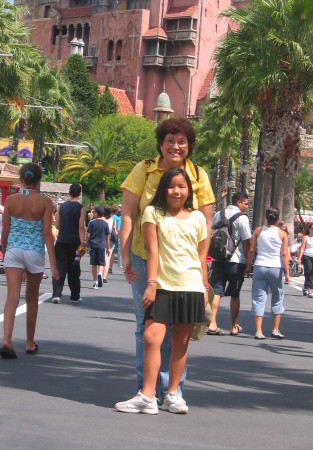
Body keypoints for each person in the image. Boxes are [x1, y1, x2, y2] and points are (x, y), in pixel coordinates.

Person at [119, 117, 215, 401]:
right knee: (146, 325)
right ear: (160, 143)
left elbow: (205, 227)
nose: (176, 146)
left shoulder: (197, 175)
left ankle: (172, 390)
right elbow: (128, 214)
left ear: (189, 146)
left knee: (178, 329)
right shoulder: (144, 170)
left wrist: (203, 271)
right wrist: (124, 255)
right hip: (143, 257)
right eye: (170, 141)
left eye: (182, 142)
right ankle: (146, 389)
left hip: (183, 266)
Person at [0, 163, 59, 359]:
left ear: (21, 179)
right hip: (34, 252)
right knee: (32, 298)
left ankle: (6, 339)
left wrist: (6, 249)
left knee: (12, 296)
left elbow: (5, 231)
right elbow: (47, 234)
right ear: (39, 180)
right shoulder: (45, 202)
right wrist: (54, 266)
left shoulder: (10, 200)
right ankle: (30, 343)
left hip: (14, 250)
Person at [208, 193, 251, 335]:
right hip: (236, 260)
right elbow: (246, 242)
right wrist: (249, 262)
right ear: (239, 202)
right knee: (235, 293)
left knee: (216, 291)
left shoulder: (218, 214)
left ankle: (212, 323)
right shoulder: (242, 218)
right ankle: (233, 326)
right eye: (245, 203)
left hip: (218, 258)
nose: (246, 206)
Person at [246, 207, 289, 340]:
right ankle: (275, 329)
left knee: (259, 298)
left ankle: (258, 331)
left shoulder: (258, 231)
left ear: (266, 217)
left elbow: (252, 249)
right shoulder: (282, 233)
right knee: (277, 297)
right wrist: (287, 272)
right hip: (275, 267)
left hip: (260, 266)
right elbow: (284, 254)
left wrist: (248, 266)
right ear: (277, 218)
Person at [52, 183, 86, 304]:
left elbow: (57, 225)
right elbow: (81, 227)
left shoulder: (61, 207)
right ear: (80, 193)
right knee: (74, 269)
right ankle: (75, 295)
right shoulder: (82, 208)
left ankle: (56, 294)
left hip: (61, 240)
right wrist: (83, 244)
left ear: (69, 192)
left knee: (60, 267)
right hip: (75, 241)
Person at [86, 206, 110, 289]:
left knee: (93, 264)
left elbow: (88, 235)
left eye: (94, 212)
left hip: (93, 245)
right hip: (102, 245)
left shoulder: (92, 223)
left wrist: (86, 243)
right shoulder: (105, 224)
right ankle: (100, 273)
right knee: (101, 263)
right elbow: (107, 237)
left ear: (96, 213)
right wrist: (108, 248)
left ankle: (95, 282)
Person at [102, 206, 117, 282]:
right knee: (107, 259)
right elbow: (114, 230)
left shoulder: (102, 220)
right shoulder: (113, 220)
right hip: (111, 240)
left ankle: (100, 273)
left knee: (101, 258)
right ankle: (104, 277)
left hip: (101, 240)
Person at [298, 223, 313, 298]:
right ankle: (309, 290)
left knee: (311, 273)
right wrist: (299, 259)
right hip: (307, 256)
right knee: (308, 272)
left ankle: (305, 287)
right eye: (312, 228)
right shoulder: (305, 237)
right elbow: (302, 248)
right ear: (309, 229)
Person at [109, 204, 121, 274]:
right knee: (112, 252)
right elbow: (118, 229)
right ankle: (110, 267)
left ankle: (105, 265)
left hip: (107, 235)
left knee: (107, 251)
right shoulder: (118, 219)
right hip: (114, 236)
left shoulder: (108, 217)